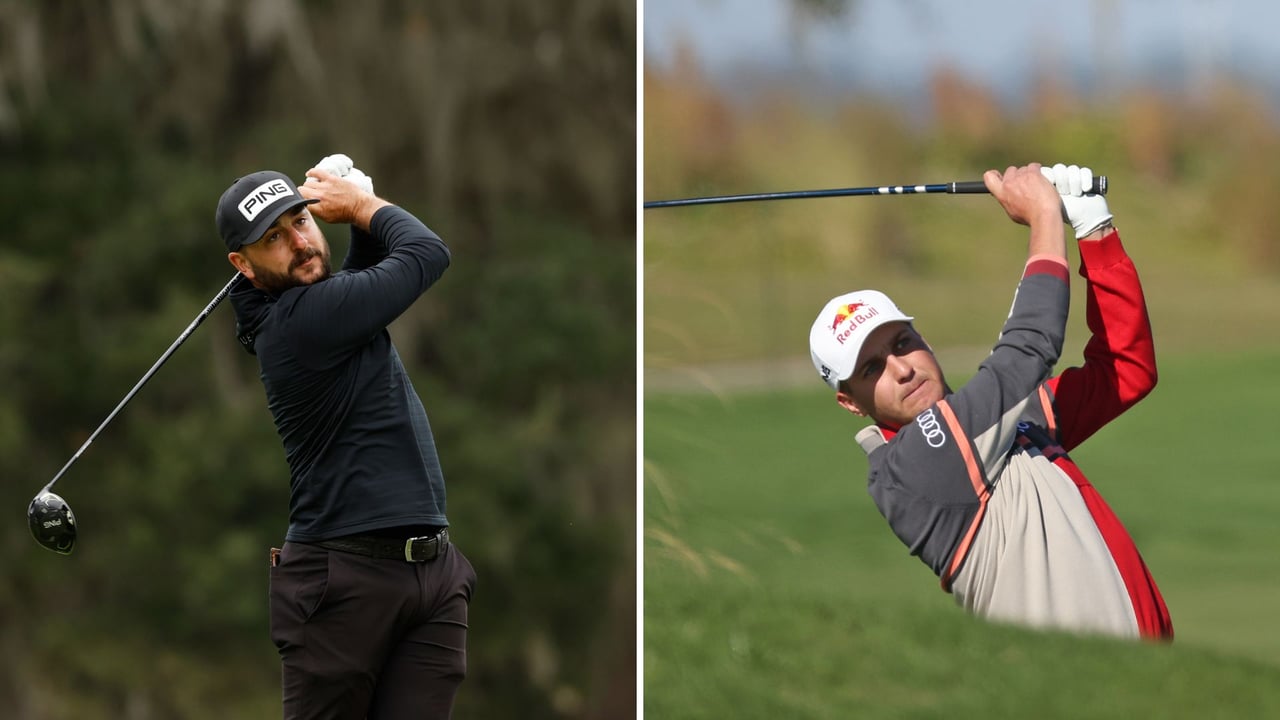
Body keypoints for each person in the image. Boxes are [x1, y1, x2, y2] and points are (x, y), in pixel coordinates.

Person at [808, 163, 1173, 640]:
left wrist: (1093, 228)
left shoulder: (1006, 424)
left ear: (924, 339)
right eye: (872, 369)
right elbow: (1028, 348)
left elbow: (1125, 369)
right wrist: (1043, 214)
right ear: (850, 403)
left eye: (901, 343)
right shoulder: (909, 469)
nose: (901, 369)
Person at [214, 154, 477, 718]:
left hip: (431, 575)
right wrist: (361, 207)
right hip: (344, 583)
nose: (301, 243)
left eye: (301, 222)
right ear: (245, 264)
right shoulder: (298, 325)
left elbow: (360, 284)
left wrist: (361, 220)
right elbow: (428, 253)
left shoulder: (317, 310)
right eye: (275, 239)